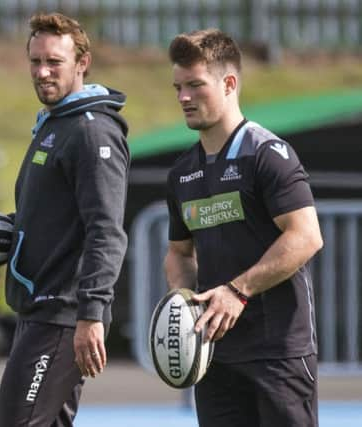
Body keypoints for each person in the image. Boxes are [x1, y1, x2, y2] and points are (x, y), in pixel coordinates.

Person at [163, 28, 324, 427]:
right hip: (215, 356)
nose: (184, 97)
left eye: (195, 85)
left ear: (229, 83)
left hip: (278, 353)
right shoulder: (182, 171)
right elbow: (179, 253)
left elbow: (306, 236)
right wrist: (183, 306)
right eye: (178, 87)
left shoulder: (269, 155)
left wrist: (238, 291)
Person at [0, 12, 130, 427]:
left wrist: (91, 314)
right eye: (35, 61)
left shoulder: (92, 133)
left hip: (62, 315)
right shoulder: (55, 125)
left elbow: (106, 231)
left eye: (54, 61)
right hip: (39, 312)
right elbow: (39, 222)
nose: (42, 71)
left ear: (81, 63)